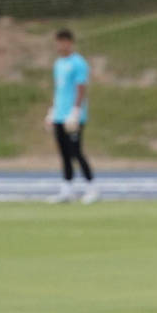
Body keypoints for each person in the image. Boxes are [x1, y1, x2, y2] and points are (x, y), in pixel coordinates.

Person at [46, 28, 98, 204]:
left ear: (69, 42)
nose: (59, 46)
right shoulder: (58, 64)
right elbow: (58, 89)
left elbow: (80, 88)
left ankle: (91, 187)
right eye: (57, 42)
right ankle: (67, 189)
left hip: (73, 116)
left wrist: (75, 111)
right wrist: (52, 110)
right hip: (60, 114)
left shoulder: (78, 63)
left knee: (76, 151)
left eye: (62, 41)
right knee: (64, 153)